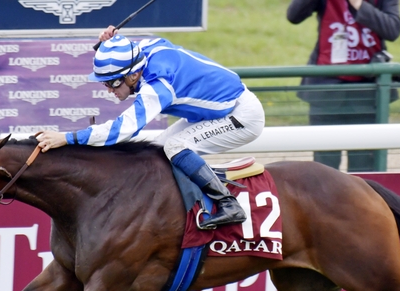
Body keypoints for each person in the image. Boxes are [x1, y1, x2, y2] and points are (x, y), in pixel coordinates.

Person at [35, 26, 265, 230]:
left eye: (113, 83)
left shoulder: (158, 86)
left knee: (176, 147)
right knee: (156, 152)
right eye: (104, 83)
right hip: (217, 111)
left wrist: (68, 138)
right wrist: (112, 42)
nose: (108, 90)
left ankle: (228, 204)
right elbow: (131, 47)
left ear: (134, 75)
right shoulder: (147, 49)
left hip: (241, 116)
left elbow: (122, 130)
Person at [287, 0, 400, 172]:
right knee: (325, 168)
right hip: (327, 90)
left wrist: (359, 4)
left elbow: (392, 29)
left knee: (364, 167)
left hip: (367, 92)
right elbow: (294, 16)